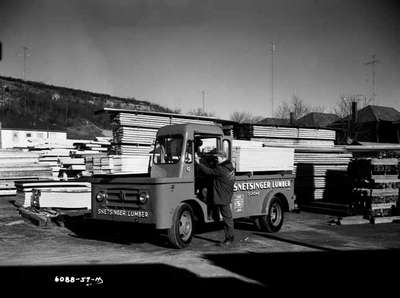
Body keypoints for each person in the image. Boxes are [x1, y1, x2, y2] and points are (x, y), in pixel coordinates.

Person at [194, 150, 235, 245]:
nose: (217, 159)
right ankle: (213, 212)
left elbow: (209, 172)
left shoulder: (221, 169)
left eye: (218, 157)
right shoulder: (229, 166)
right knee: (205, 192)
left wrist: (199, 163)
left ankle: (229, 238)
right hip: (225, 193)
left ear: (222, 157)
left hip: (222, 195)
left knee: (227, 219)